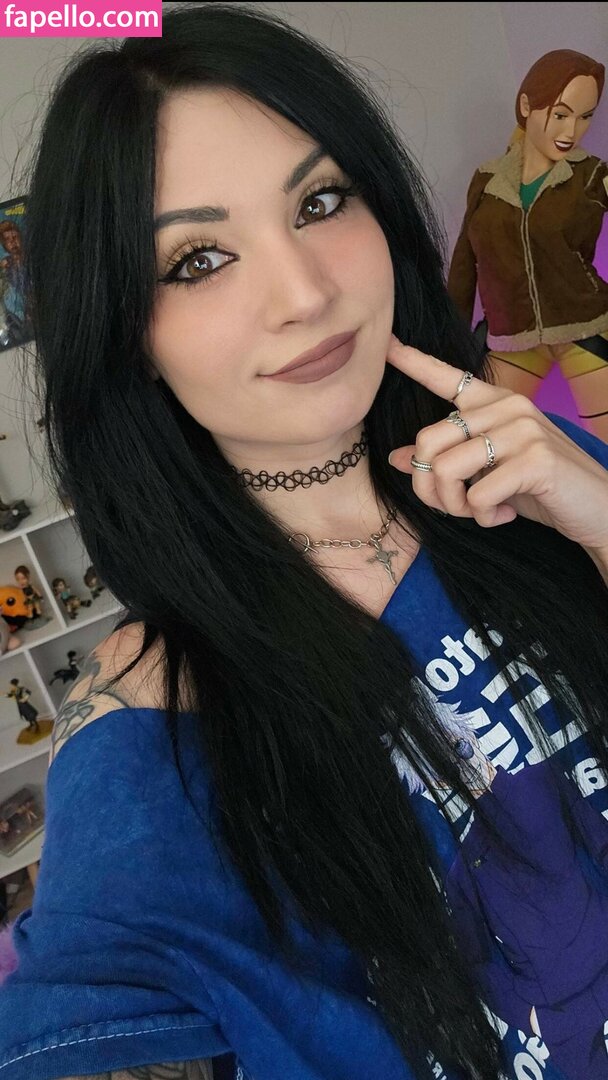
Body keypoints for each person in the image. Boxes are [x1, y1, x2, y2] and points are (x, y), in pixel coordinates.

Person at [0, 5, 607, 1079]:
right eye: (198, 259)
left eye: (320, 202)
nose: (306, 292)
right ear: (127, 334)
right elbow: (94, 1001)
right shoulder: (149, 729)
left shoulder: (541, 474)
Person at [447, 49, 608, 440]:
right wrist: (450, 335)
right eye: (561, 114)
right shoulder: (487, 180)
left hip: (585, 326)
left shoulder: (591, 176)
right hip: (511, 335)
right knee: (484, 439)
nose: (572, 131)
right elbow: (465, 263)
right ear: (526, 106)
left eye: (585, 117)